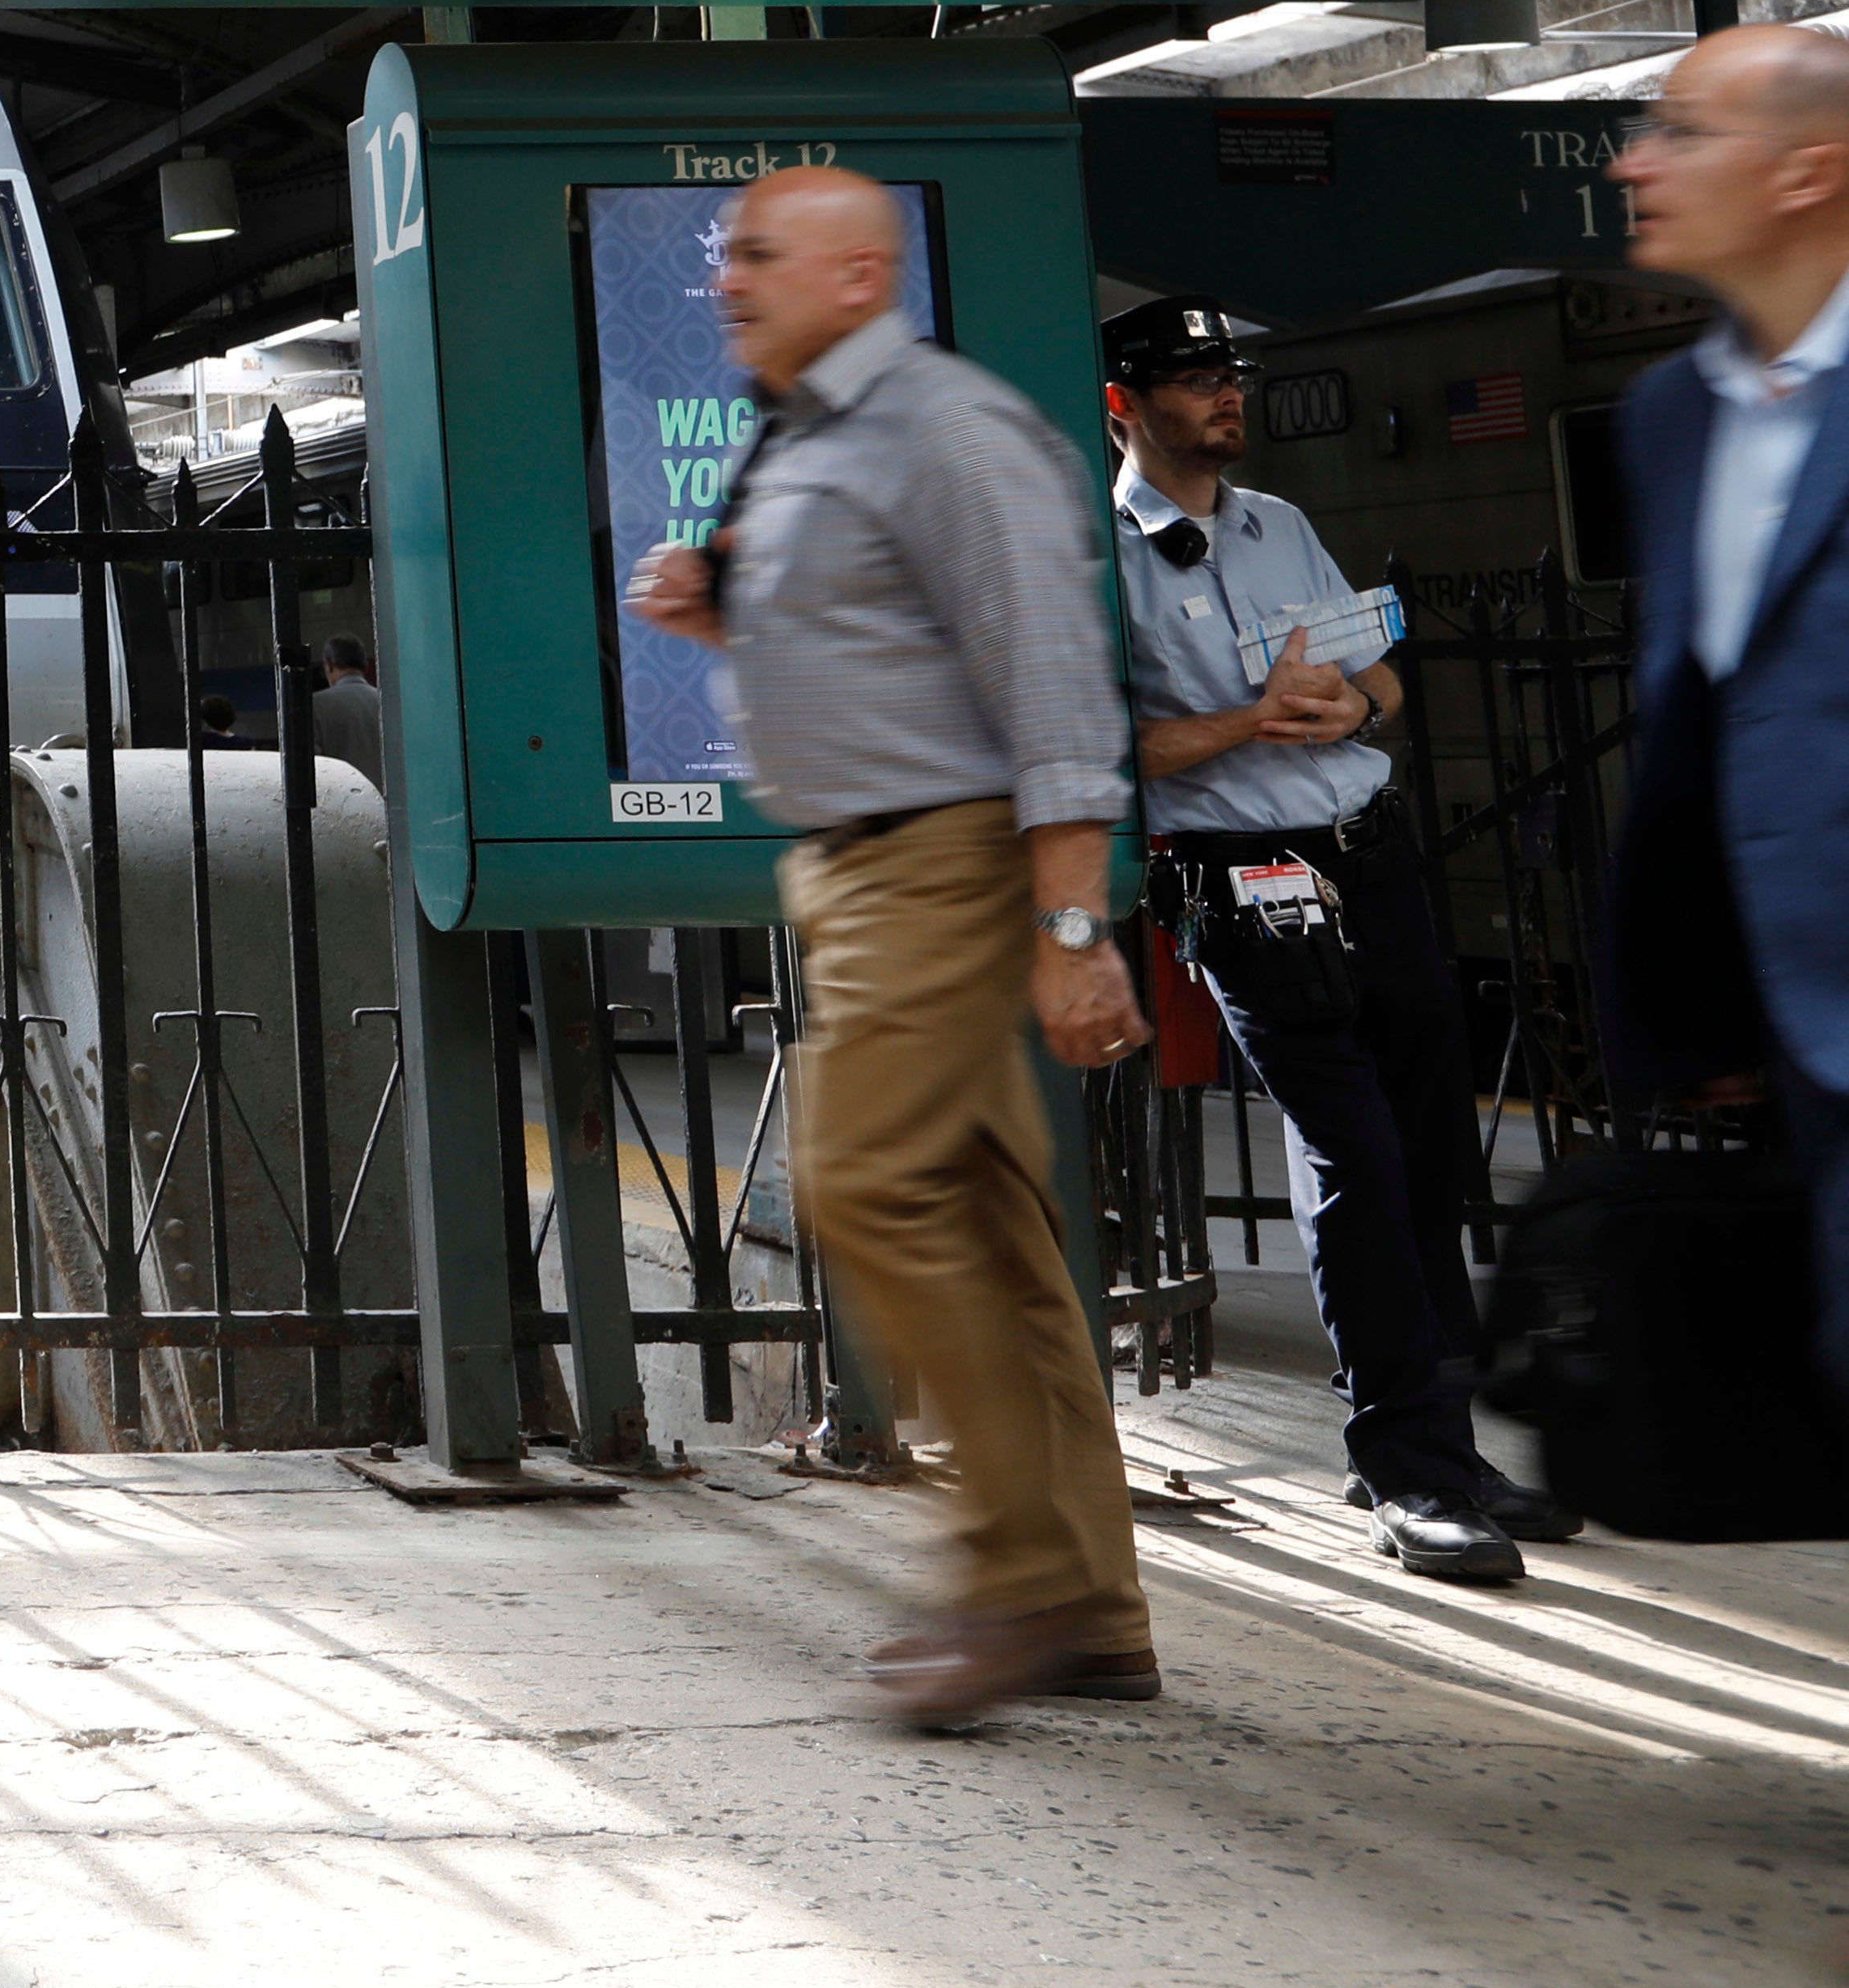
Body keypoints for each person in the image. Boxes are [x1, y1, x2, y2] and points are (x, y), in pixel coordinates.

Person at [628, 164, 1153, 1727]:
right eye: (731, 257)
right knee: (994, 1241)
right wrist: (731, 624)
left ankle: (1018, 1582)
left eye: (766, 257)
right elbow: (884, 645)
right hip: (863, 873)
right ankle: (1096, 1603)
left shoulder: (944, 428)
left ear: (862, 275)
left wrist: (1074, 928)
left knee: (862, 1181)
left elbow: (1055, 691)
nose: (731, 280)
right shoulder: (809, 433)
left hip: (937, 868)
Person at [1100, 297, 1568, 1579]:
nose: (1224, 396)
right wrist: (1251, 723)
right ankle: (1402, 1468)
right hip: (1245, 880)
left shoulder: (1283, 524)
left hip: (1371, 854)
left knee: (1426, 1155)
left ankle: (1452, 1450)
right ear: (1125, 404)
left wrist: (1348, 704)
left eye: (1228, 374)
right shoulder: (1102, 558)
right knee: (1354, 1153)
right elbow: (1104, 753)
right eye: (1194, 379)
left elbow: (1387, 677)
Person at [1605, 23, 1849, 1410]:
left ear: (1808, 173)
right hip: (1805, 1040)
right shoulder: (1667, 418)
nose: (1638, 160)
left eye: (1685, 131)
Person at [308, 635, 389, 792]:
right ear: (364, 665)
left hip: (341, 804)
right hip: (387, 805)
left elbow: (311, 768)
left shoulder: (315, 705)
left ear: (329, 666)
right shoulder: (387, 702)